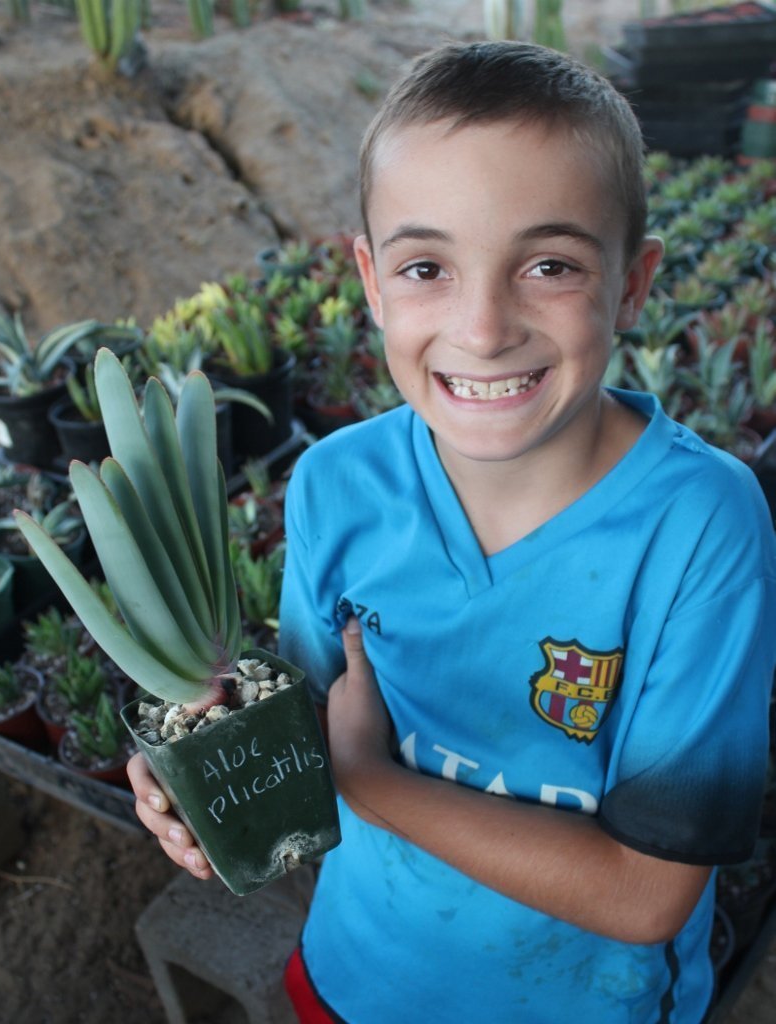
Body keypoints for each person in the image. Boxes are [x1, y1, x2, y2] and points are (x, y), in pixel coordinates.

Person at [128, 40, 776, 1024]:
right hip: (357, 976)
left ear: (633, 285)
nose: (481, 327)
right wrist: (196, 764)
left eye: (549, 264)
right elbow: (308, 719)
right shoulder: (336, 484)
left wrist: (371, 780)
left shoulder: (700, 528)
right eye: (428, 266)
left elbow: (646, 893)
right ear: (372, 281)